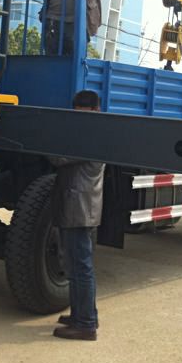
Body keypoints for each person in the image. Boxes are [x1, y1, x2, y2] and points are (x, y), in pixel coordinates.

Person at [50, 90, 105, 341]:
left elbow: (58, 157)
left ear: (95, 111)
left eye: (81, 111)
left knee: (81, 267)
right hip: (75, 206)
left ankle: (85, 324)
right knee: (74, 266)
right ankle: (82, 314)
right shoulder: (89, 132)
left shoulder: (91, 136)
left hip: (80, 208)